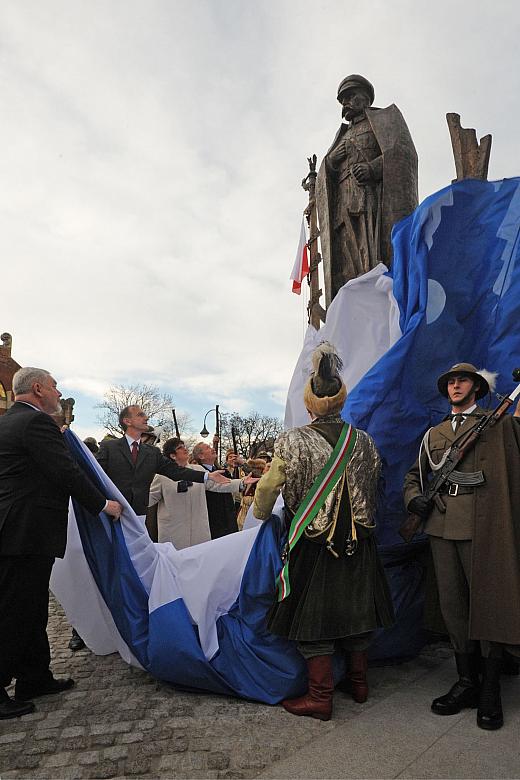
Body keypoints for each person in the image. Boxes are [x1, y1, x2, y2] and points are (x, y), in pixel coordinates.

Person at [253, 343, 394, 721]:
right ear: (340, 399)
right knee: (357, 613)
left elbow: (267, 489)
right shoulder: (364, 441)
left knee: (314, 621)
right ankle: (360, 683)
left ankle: (320, 698)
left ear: (310, 402)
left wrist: (257, 514)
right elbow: (375, 485)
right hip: (361, 540)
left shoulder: (293, 440)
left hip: (314, 544)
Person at [0, 367, 122, 719]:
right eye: (54, 386)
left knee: (31, 608)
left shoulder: (10, 422)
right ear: (38, 389)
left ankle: (34, 677)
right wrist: (102, 504)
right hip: (25, 532)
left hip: (18, 531)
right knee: (14, 612)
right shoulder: (35, 423)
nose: (58, 392)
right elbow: (64, 471)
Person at [403, 362, 520, 731]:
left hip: (480, 525)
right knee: (453, 605)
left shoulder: (496, 424)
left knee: (486, 601)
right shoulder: (433, 433)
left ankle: (489, 687)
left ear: (477, 387)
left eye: (463, 380)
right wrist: (414, 500)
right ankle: (466, 680)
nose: (455, 385)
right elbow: (413, 474)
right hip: (440, 525)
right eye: (451, 381)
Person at [316, 74, 418, 302]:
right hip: (343, 205)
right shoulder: (341, 135)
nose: (346, 103)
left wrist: (373, 169)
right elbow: (326, 175)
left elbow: (402, 155)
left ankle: (374, 287)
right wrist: (331, 161)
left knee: (370, 255)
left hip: (371, 202)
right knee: (347, 258)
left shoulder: (385, 120)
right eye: (343, 100)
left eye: (350, 97)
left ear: (365, 97)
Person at [96, 406, 229, 518]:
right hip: (111, 513)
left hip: (139, 517)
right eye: (141, 415)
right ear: (127, 421)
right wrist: (104, 503)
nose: (146, 418)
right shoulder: (109, 447)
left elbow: (176, 471)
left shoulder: (152, 453)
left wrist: (208, 476)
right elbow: (95, 476)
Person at [148, 438, 252, 549]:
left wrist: (241, 482)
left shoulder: (198, 470)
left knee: (200, 562)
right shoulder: (161, 477)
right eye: (180, 447)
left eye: (184, 446)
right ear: (173, 455)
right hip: (174, 532)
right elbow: (149, 498)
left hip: (199, 532)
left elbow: (217, 484)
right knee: (175, 564)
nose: (185, 449)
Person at [192, 441, 241, 538]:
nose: (212, 449)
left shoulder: (223, 472)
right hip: (212, 524)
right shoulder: (197, 475)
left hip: (229, 522)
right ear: (201, 456)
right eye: (208, 448)